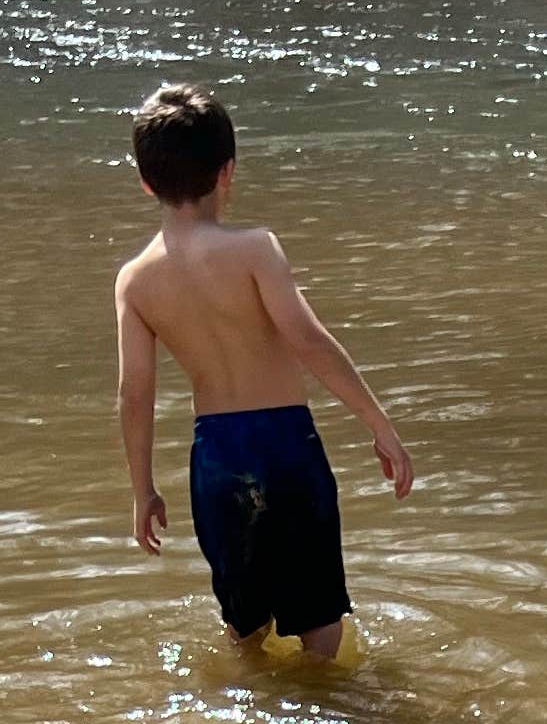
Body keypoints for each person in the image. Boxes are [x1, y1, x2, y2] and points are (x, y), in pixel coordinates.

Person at [115, 80, 413, 664]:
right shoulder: (255, 248)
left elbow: (135, 394)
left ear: (146, 182)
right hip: (285, 446)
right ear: (227, 171)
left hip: (216, 459)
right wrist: (379, 423)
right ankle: (330, 719)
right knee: (319, 618)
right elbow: (309, 340)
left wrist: (142, 489)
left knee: (244, 621)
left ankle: (253, 721)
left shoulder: (135, 279)